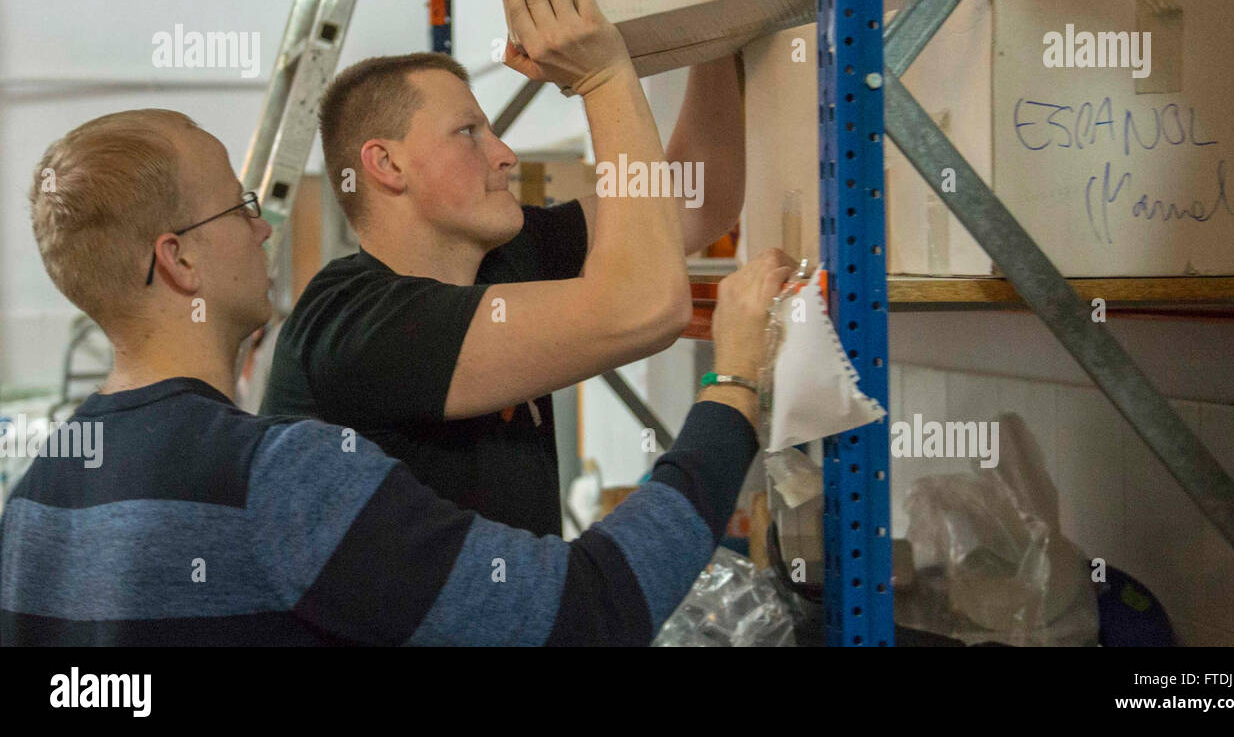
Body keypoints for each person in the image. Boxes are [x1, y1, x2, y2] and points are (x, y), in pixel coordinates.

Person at [0, 105, 791, 645]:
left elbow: (684, 203)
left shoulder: (36, 498)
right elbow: (583, 613)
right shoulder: (279, 478)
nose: (262, 227)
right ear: (179, 261)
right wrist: (734, 387)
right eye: (239, 207)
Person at [261, 0, 746, 536]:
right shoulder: (352, 324)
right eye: (468, 133)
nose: (506, 155)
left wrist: (716, 31)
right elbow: (645, 307)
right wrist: (602, 80)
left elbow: (696, 198)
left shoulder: (506, 255)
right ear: (387, 165)